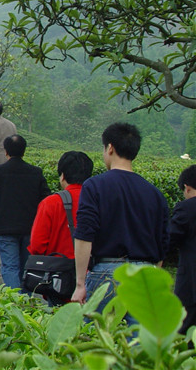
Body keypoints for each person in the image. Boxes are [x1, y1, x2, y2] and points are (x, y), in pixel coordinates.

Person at [71, 123, 169, 317]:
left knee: (102, 333)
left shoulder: (94, 186)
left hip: (107, 273)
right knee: (139, 335)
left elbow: (84, 235)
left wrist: (80, 283)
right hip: (145, 275)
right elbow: (163, 243)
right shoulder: (155, 194)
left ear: (110, 148)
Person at [0, 134, 51, 290]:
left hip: (6, 227)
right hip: (30, 227)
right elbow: (46, 201)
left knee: (10, 266)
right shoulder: (35, 172)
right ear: (24, 151)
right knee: (27, 266)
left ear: (6, 151)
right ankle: (26, 298)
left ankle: (15, 300)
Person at [28, 151, 94, 305]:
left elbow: (37, 245)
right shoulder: (98, 201)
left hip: (59, 281)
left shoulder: (50, 203)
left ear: (62, 176)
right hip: (93, 279)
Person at [169, 165, 196, 335]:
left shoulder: (187, 208)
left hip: (191, 283)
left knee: (182, 331)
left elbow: (169, 239)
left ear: (187, 187)